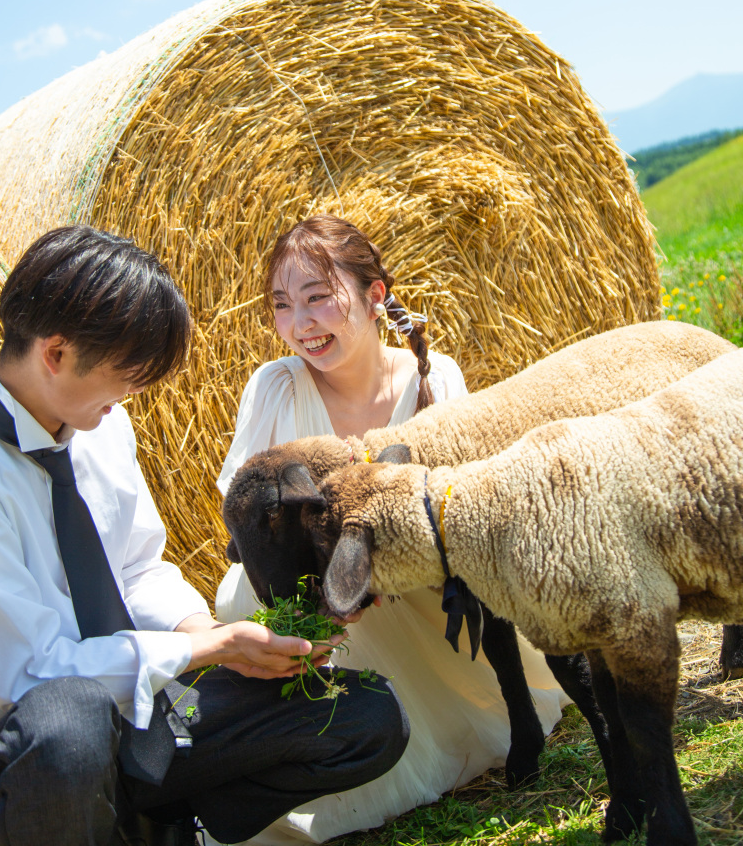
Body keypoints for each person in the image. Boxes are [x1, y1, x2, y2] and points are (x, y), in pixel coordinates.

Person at [0, 226, 408, 846]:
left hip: (148, 712)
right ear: (55, 353)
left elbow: (137, 568)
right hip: (18, 763)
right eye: (127, 372)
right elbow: (33, 675)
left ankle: (173, 828)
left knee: (367, 715)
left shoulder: (102, 427)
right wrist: (204, 653)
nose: (134, 392)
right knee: (68, 722)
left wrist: (209, 633)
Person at [215, 215, 569, 844]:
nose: (300, 324)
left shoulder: (436, 380)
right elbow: (247, 513)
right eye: (282, 305)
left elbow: (465, 509)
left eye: (318, 297)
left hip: (426, 595)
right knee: (242, 595)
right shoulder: (274, 387)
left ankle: (443, 721)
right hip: (325, 605)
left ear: (376, 296)